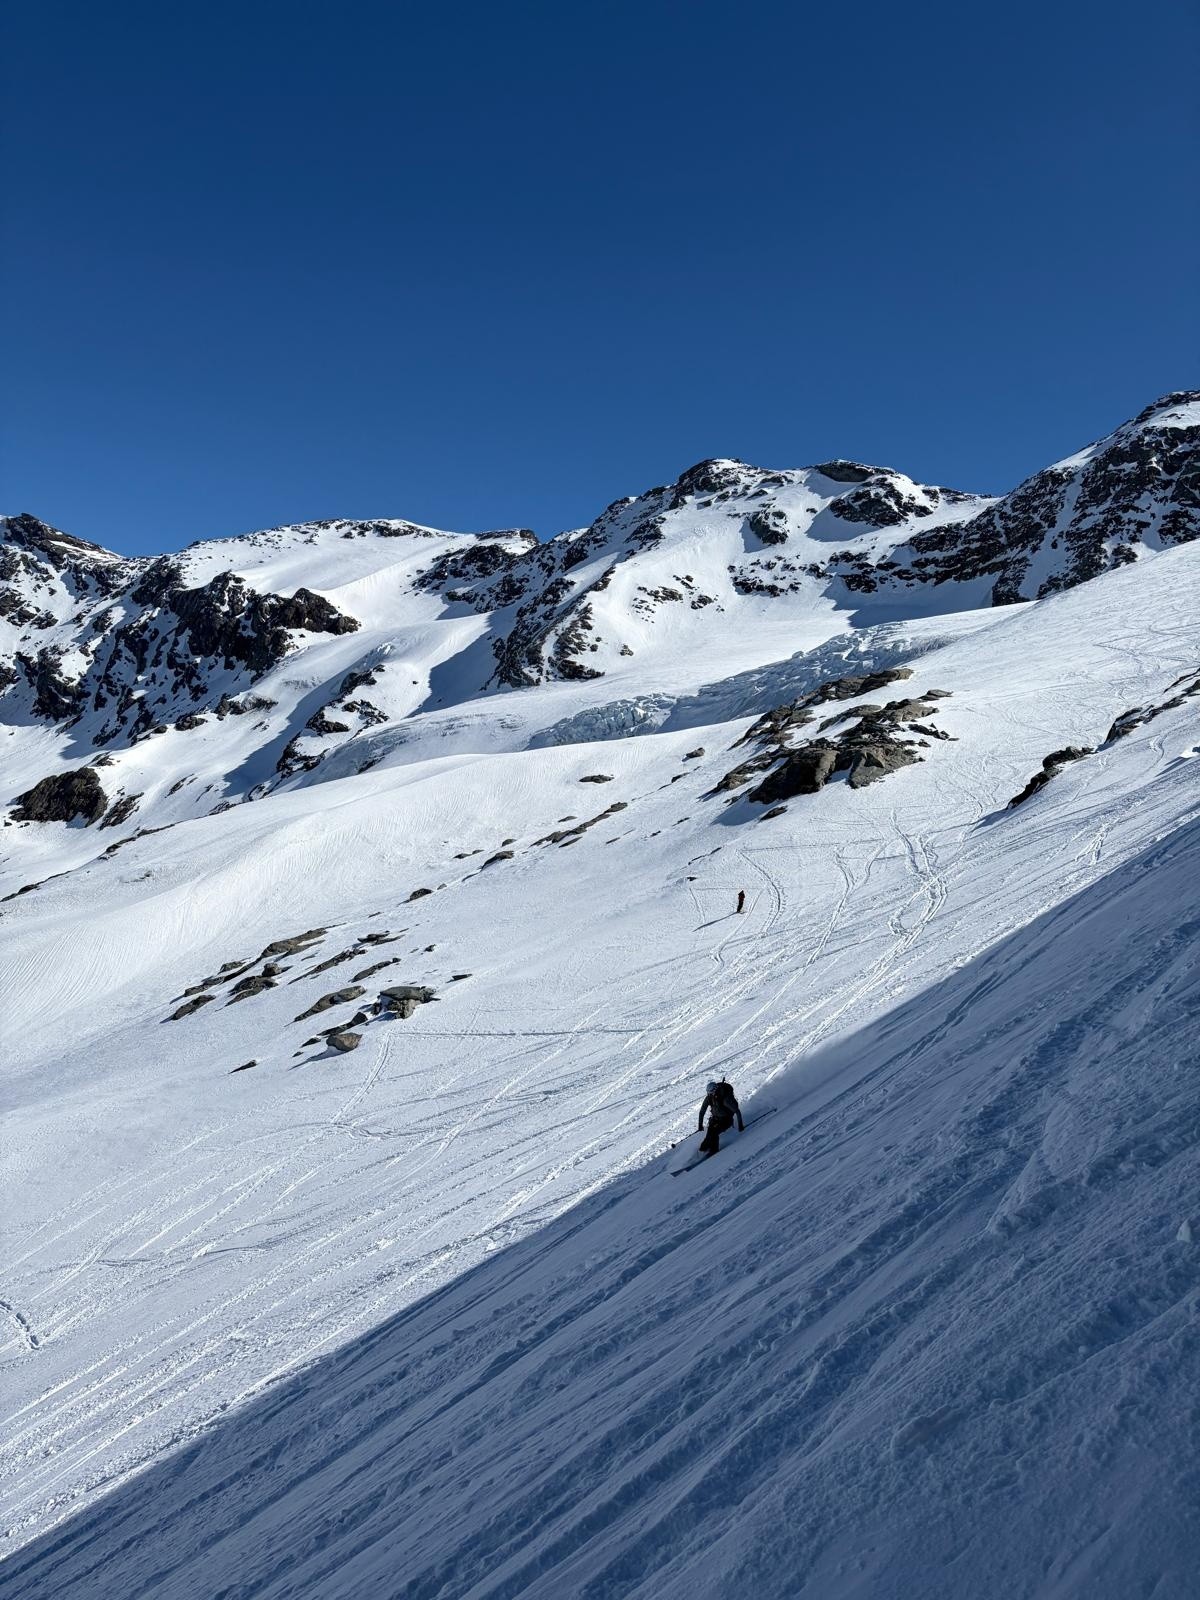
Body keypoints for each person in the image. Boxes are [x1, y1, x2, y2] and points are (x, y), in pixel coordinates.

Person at [697, 1078, 744, 1154]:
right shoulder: (709, 1098)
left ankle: (714, 1150)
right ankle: (702, 1150)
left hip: (726, 1120)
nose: (710, 1094)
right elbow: (702, 1111)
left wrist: (740, 1125)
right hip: (715, 1119)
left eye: (711, 1092)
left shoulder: (725, 1099)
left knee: (714, 1133)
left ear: (715, 1090)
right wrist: (700, 1124)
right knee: (709, 1134)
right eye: (708, 1093)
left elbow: (737, 1111)